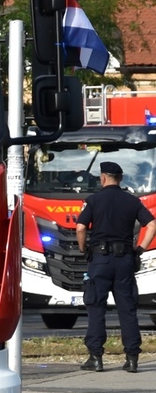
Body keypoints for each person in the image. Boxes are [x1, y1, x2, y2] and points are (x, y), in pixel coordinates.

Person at [75, 160, 156, 373]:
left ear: (103, 177)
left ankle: (96, 358)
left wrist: (85, 250)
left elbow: (81, 228)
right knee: (127, 310)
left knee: (96, 308)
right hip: (124, 261)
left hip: (99, 261)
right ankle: (131, 359)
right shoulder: (132, 201)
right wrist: (140, 249)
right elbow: (152, 225)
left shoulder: (93, 200)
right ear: (119, 179)